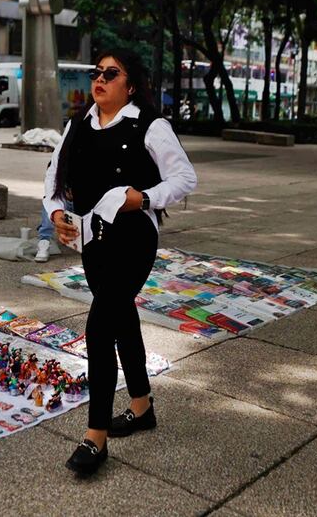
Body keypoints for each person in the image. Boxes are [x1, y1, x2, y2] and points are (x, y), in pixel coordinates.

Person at [44, 49, 197, 475]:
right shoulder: (77, 125)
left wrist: (144, 198)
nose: (101, 79)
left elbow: (185, 178)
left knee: (99, 325)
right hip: (93, 243)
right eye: (97, 72)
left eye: (111, 73)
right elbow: (53, 181)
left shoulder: (150, 125)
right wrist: (56, 214)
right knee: (121, 316)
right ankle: (142, 406)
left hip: (133, 240)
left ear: (129, 85)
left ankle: (96, 437)